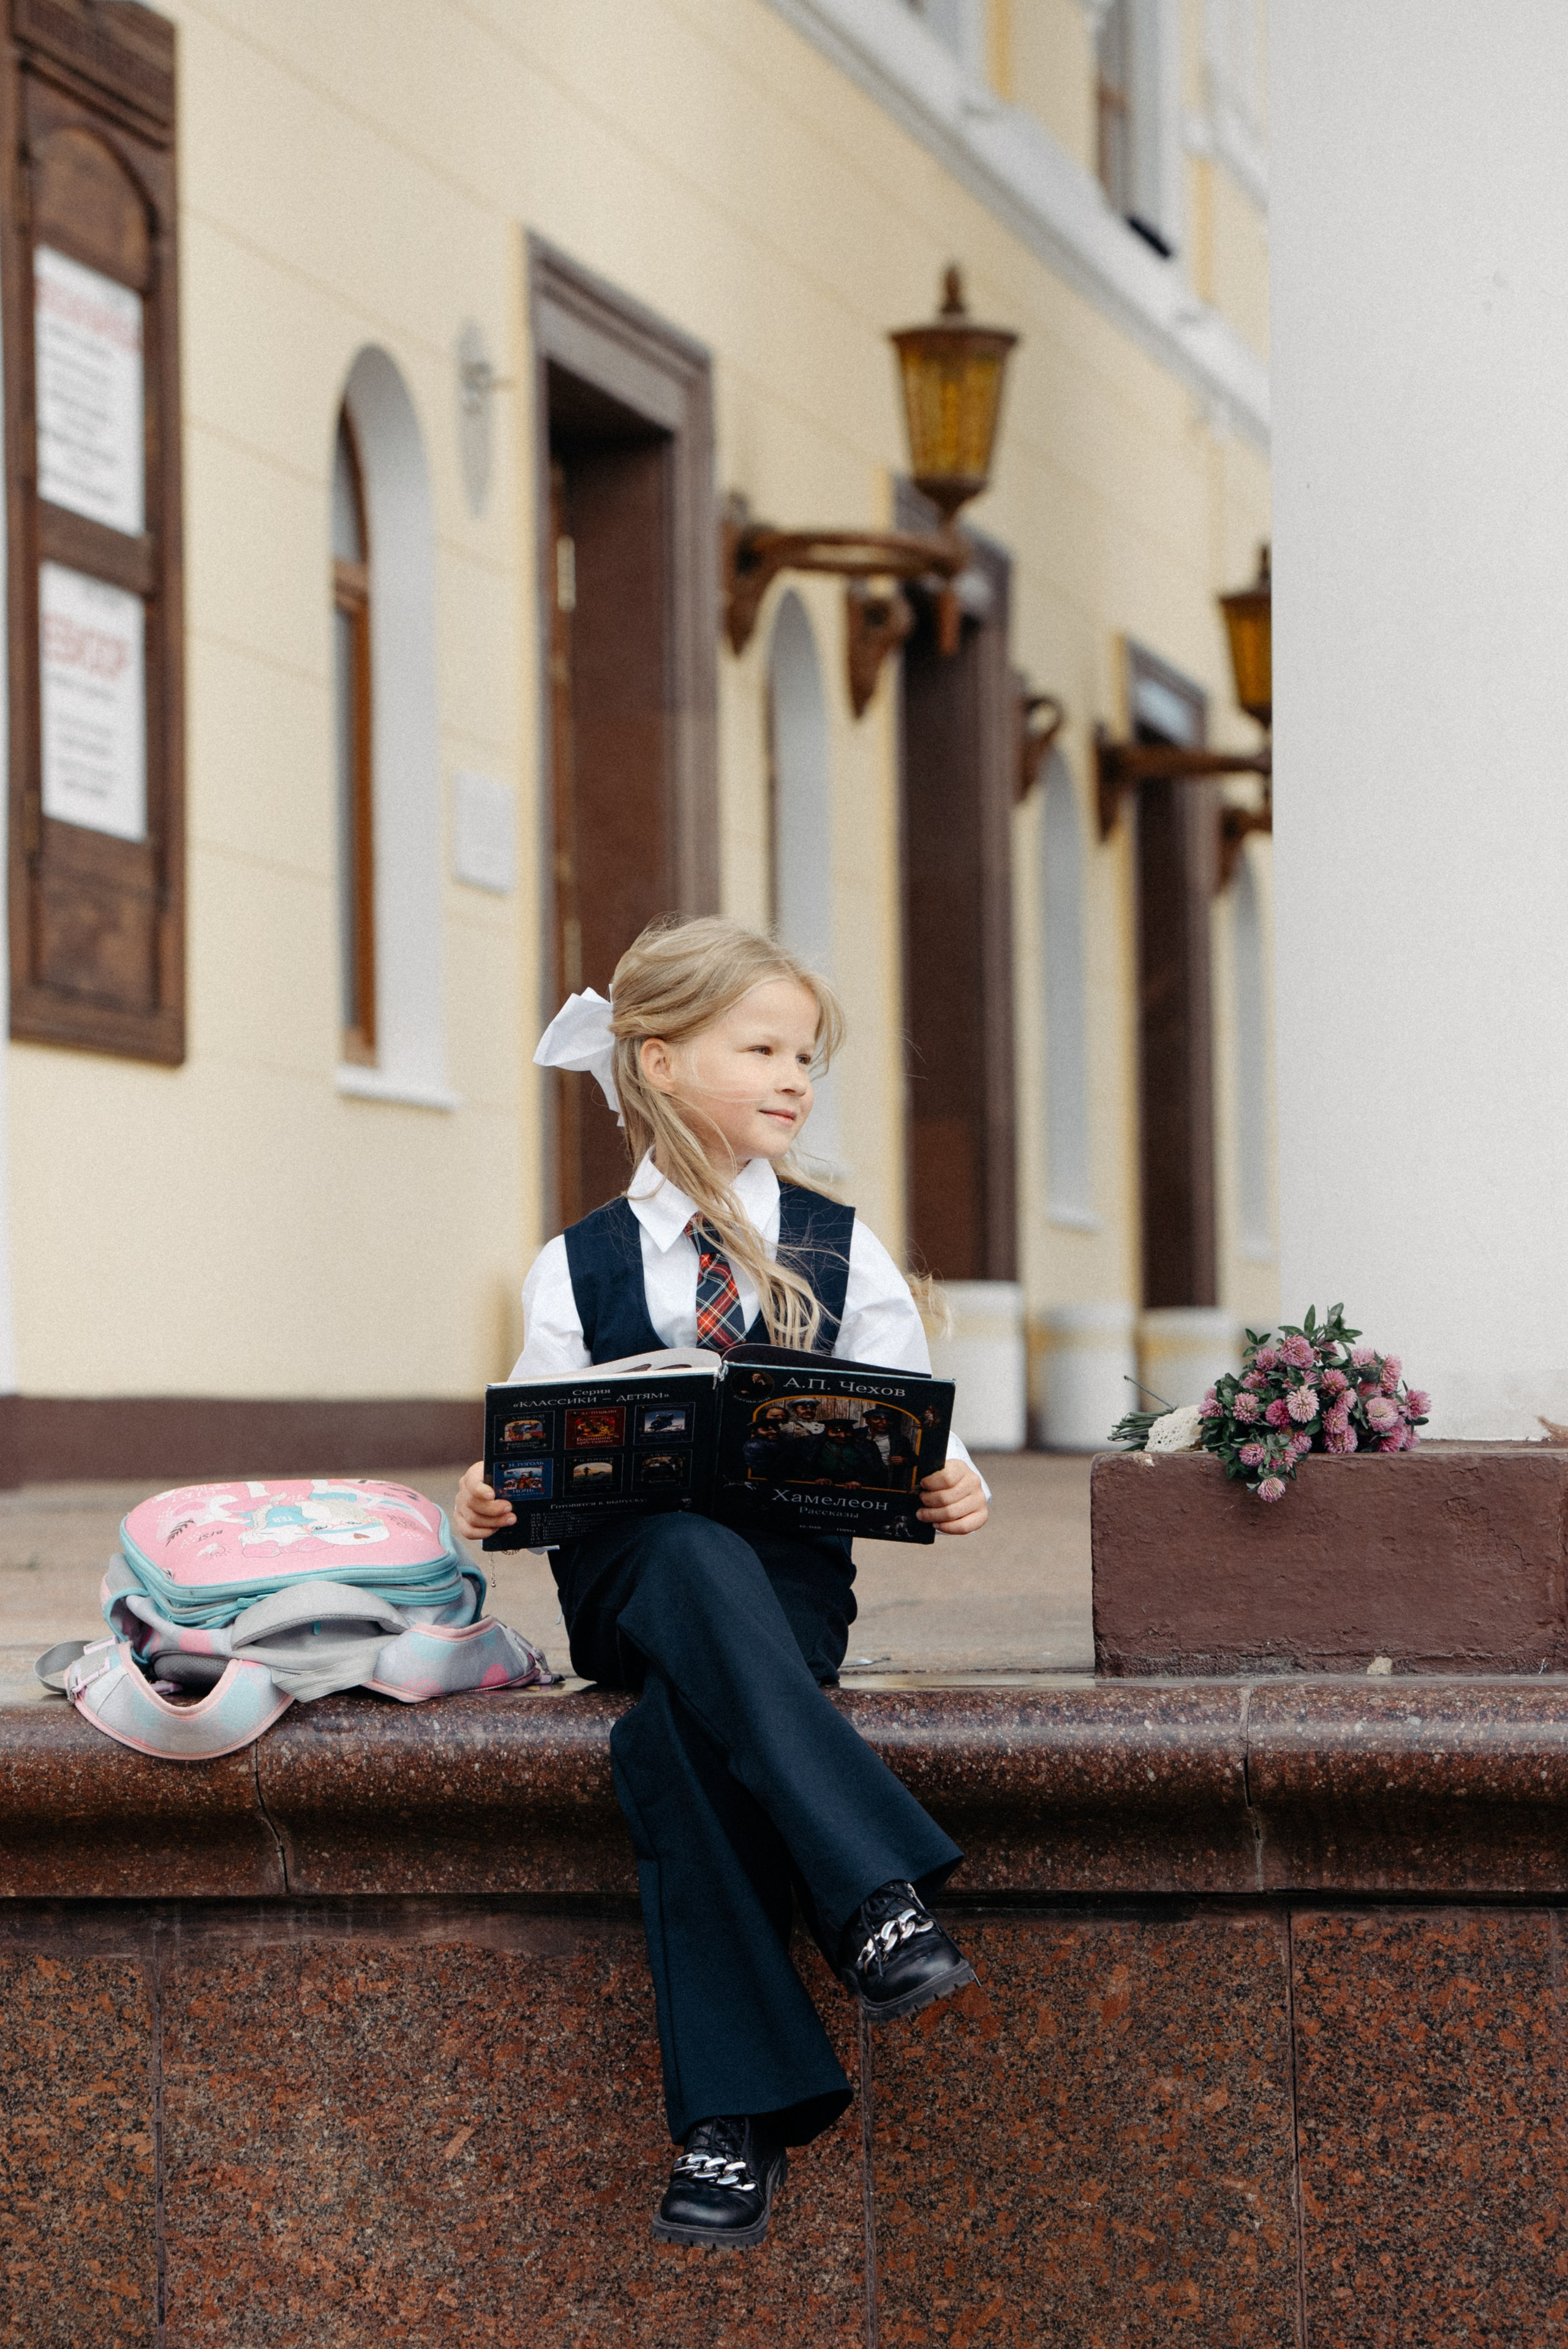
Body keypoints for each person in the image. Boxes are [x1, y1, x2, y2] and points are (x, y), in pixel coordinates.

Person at [454, 916, 988, 2253]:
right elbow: (533, 1439)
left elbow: (918, 1418)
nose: (795, 1074)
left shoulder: (836, 1246)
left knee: (671, 1745)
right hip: (627, 1579)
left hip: (790, 1593)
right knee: (682, 1551)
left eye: (805, 1053)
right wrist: (490, 1494)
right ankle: (869, 1887)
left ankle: (730, 2125)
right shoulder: (573, 1262)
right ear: (659, 1059)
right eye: (761, 1046)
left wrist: (951, 1478)